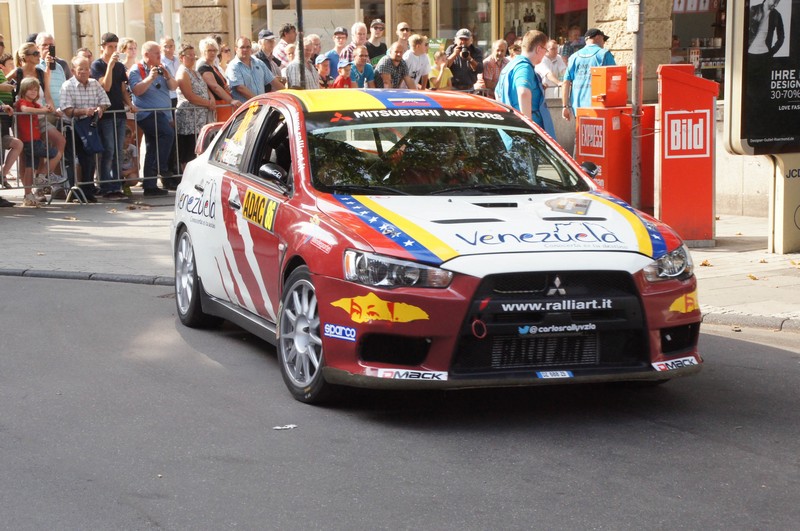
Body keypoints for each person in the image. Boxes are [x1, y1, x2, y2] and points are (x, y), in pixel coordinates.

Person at [12, 43, 66, 189]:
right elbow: (5, 85)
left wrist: (52, 109)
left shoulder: (41, 73)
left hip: (40, 117)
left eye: (38, 53)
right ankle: (29, 192)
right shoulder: (17, 73)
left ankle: (42, 176)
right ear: (25, 57)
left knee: (60, 141)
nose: (38, 55)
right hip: (23, 119)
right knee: (26, 156)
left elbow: (47, 95)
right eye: (35, 53)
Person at [60, 55, 112, 201]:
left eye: (87, 68)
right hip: (72, 127)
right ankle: (73, 191)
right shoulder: (67, 86)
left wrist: (100, 108)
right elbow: (67, 110)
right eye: (81, 69)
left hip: (89, 126)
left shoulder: (94, 83)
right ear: (73, 70)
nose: (84, 72)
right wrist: (84, 111)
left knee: (89, 158)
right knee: (71, 160)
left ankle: (87, 191)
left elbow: (105, 101)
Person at [92, 32, 136, 200]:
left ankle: (116, 185)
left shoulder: (120, 66)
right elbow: (106, 87)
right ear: (103, 47)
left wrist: (130, 104)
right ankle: (106, 186)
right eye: (110, 46)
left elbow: (122, 89)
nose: (113, 50)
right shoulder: (97, 65)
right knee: (109, 150)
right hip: (106, 113)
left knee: (118, 150)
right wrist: (109, 66)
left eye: (115, 46)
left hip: (119, 112)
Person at [128, 40, 176, 195]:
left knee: (152, 147)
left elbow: (174, 87)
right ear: (146, 54)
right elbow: (137, 91)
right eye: (156, 53)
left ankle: (150, 186)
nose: (160, 56)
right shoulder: (137, 69)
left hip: (163, 114)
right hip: (147, 114)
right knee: (167, 134)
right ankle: (161, 166)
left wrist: (167, 76)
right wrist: (150, 78)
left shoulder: (162, 67)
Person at [14, 78, 65, 206]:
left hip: (35, 139)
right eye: (30, 89)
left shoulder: (35, 104)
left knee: (30, 166)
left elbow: (45, 108)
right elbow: (25, 109)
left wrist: (51, 110)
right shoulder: (22, 102)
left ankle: (28, 195)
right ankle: (42, 176)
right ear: (24, 90)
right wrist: (43, 111)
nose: (33, 92)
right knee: (55, 153)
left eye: (36, 90)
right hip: (29, 140)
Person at [495, 30, 555, 138]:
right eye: (545, 50)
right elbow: (523, 92)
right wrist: (529, 129)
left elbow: (497, 94)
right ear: (538, 49)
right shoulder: (524, 67)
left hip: (512, 130)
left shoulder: (510, 66)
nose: (545, 54)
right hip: (526, 135)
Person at [175, 44, 214, 173]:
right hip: (189, 119)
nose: (193, 58)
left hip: (200, 119)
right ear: (181, 57)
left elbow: (204, 87)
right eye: (189, 55)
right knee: (188, 150)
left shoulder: (195, 71)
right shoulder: (183, 72)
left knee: (200, 147)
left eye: (194, 55)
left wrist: (211, 98)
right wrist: (207, 103)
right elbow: (190, 96)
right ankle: (187, 175)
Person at [561, 28, 615, 121]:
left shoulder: (574, 57)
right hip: (599, 108)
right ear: (598, 37)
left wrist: (565, 106)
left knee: (582, 130)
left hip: (578, 108)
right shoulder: (604, 54)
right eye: (603, 40)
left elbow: (566, 82)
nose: (604, 43)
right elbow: (614, 80)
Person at [226, 36, 283, 103]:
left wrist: (288, 93)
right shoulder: (233, 66)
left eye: (248, 47)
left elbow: (273, 81)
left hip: (261, 106)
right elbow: (240, 88)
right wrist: (259, 101)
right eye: (242, 47)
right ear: (236, 49)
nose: (245, 50)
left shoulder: (259, 63)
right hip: (246, 107)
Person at [198, 37, 241, 122]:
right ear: (203, 52)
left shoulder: (214, 66)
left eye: (215, 50)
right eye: (209, 50)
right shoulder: (204, 67)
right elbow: (215, 87)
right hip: (216, 107)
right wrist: (231, 100)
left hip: (224, 105)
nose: (212, 53)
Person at [119, 127, 139, 196]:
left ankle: (125, 185)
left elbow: (137, 166)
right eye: (126, 137)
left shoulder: (133, 148)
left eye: (129, 137)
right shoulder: (117, 147)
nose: (128, 139)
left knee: (134, 179)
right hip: (118, 169)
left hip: (128, 170)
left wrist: (128, 172)